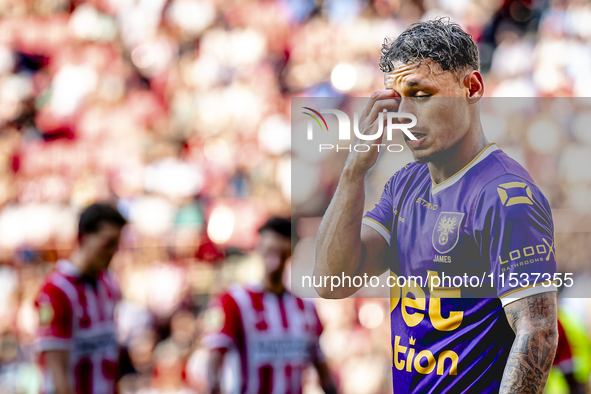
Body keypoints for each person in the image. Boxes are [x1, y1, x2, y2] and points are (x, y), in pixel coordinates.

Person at [314, 18, 559, 393]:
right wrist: (354, 169)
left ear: (472, 88)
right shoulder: (403, 186)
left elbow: (537, 332)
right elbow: (333, 281)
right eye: (397, 99)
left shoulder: (505, 196)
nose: (404, 114)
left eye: (421, 94)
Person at [205, 217, 337, 394]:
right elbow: (214, 363)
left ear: (290, 252)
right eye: (269, 250)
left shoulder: (306, 309)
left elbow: (323, 373)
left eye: (279, 250)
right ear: (258, 250)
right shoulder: (235, 302)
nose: (274, 257)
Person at [35, 203, 127, 394]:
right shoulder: (55, 290)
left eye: (116, 244)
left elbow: (110, 354)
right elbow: (56, 371)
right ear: (83, 238)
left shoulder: (109, 283)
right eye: (107, 243)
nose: (113, 251)